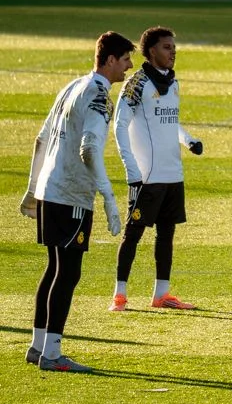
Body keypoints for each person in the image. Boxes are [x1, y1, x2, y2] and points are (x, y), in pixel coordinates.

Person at [20, 31, 135, 372]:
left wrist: (31, 190)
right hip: (71, 195)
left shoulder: (72, 86)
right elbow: (88, 149)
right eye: (126, 59)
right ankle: (52, 354)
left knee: (53, 268)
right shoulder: (99, 95)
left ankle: (37, 345)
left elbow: (42, 138)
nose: (129, 66)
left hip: (49, 190)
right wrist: (109, 198)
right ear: (110, 60)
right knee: (68, 273)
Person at [109, 27, 203, 312]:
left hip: (172, 172)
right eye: (166, 47)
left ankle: (161, 294)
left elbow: (169, 120)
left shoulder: (172, 82)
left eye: (174, 46)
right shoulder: (136, 83)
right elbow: (119, 125)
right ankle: (119, 295)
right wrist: (131, 168)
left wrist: (188, 140)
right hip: (146, 176)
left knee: (166, 234)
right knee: (133, 234)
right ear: (151, 51)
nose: (173, 51)